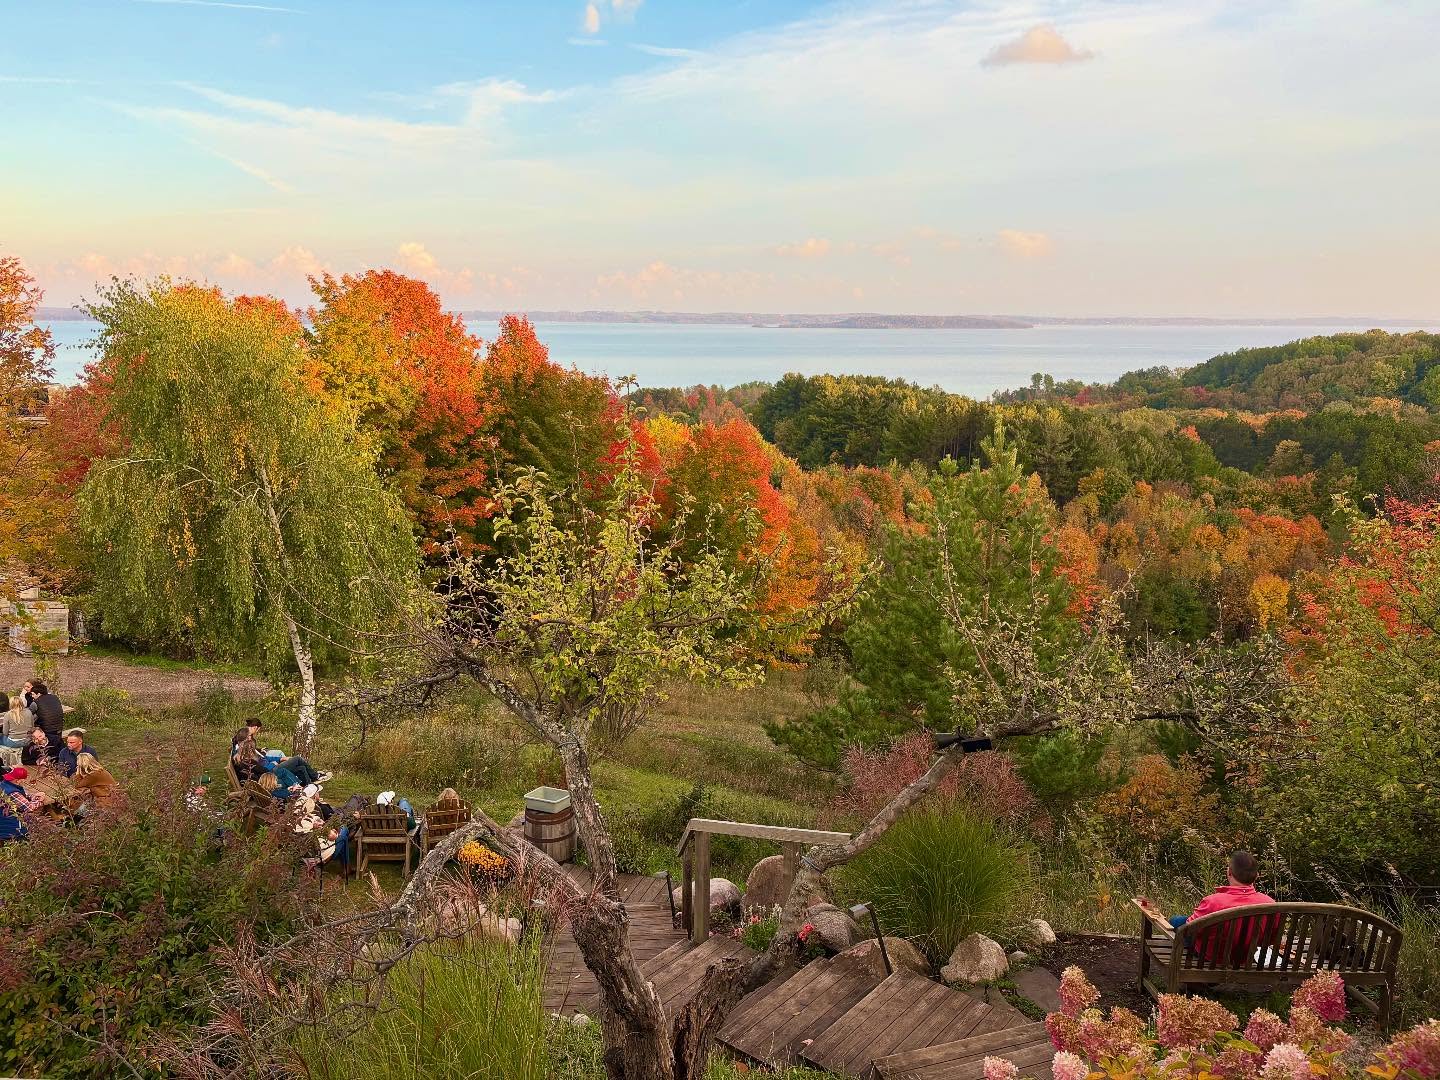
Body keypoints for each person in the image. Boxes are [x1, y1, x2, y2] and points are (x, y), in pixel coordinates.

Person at [27, 681, 65, 749]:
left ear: (38, 694)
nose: (32, 697)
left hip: (47, 731)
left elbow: (28, 714)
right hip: (59, 728)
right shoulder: (55, 697)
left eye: (33, 694)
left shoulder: (36, 702)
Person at [1, 693, 30, 767]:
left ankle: (4, 763)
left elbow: (5, 732)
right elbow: (32, 727)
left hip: (13, 742)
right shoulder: (29, 712)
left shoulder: (8, 714)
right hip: (28, 741)